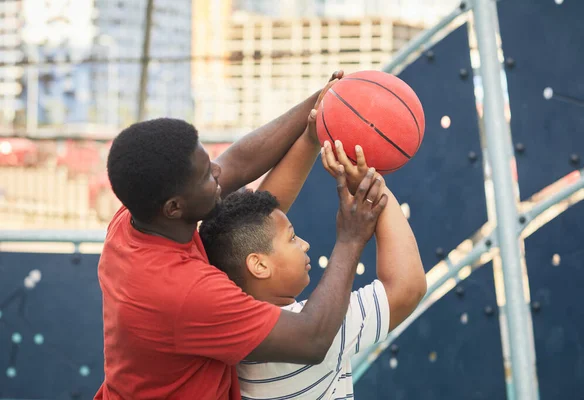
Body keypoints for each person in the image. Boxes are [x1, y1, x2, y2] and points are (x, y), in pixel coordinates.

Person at [95, 71, 389, 400]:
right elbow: (312, 339)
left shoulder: (135, 220)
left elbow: (237, 162)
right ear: (174, 207)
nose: (219, 172)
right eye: (207, 175)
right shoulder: (182, 291)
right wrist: (351, 238)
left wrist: (316, 111)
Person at [199, 139, 427, 399]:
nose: (304, 245)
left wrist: (311, 135)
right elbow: (408, 287)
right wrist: (374, 190)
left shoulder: (232, 335)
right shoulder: (313, 331)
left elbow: (250, 231)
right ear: (259, 265)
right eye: (292, 237)